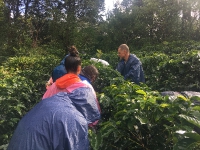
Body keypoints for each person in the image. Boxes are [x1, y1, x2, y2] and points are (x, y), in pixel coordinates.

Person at [7, 48, 101, 150]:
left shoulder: (54, 85)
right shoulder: (86, 88)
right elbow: (93, 117)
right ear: (79, 69)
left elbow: (43, 105)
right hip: (69, 130)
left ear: (65, 68)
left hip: (43, 130)